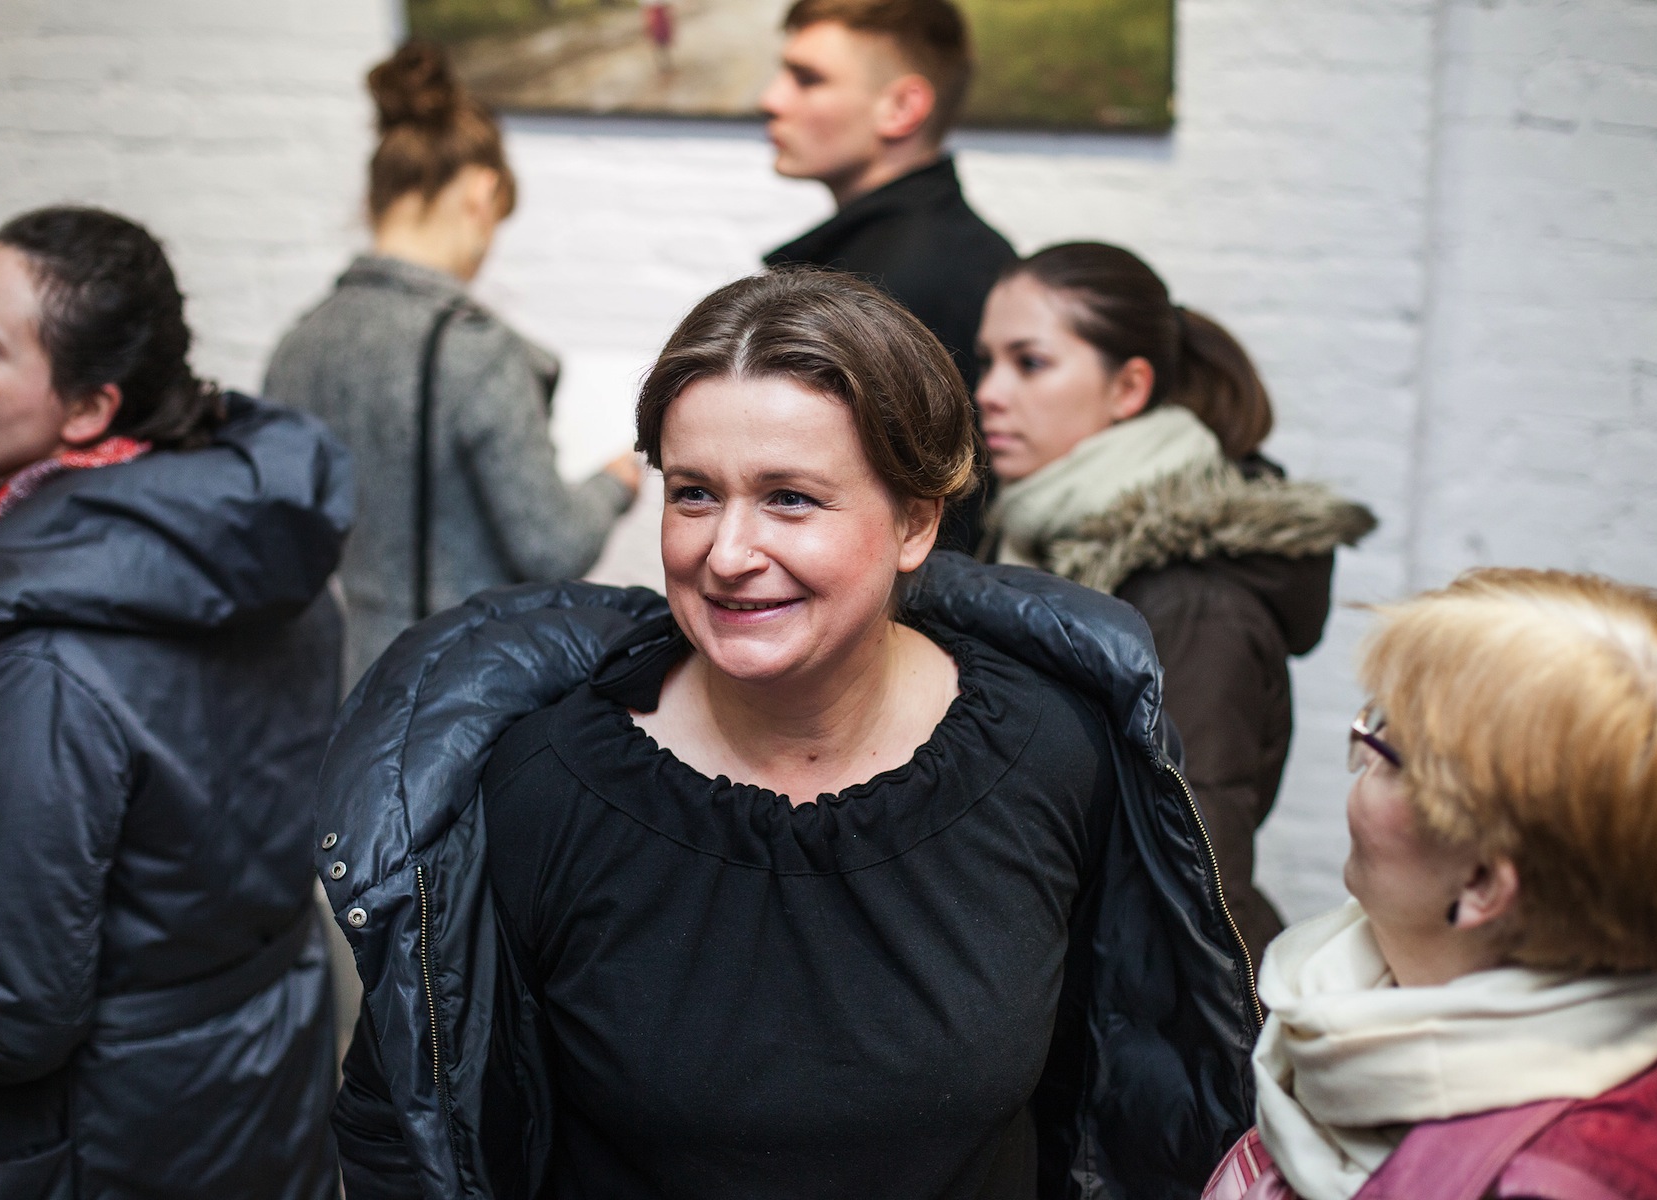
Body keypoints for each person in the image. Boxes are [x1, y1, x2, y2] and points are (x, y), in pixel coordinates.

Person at [316, 270, 1258, 1199]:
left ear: (915, 521)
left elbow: (1110, 1104)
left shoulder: (1052, 757)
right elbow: (407, 1133)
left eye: (790, 498)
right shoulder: (543, 788)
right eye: (694, 493)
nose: (727, 554)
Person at [0, 206, 347, 1197]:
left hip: (103, 1134)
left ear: (89, 409)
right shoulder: (267, 560)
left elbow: (5, 1013)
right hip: (262, 1069)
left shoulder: (40, 665)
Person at [1204, 568, 1657, 1200]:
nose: (1363, 749)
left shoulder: (1549, 1181)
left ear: (1480, 884)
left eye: (1390, 746)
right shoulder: (1351, 999)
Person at [975, 243, 1376, 965]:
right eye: (988, 361)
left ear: (1128, 388)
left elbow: (1190, 879)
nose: (990, 392)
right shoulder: (1025, 540)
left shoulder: (1193, 599)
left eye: (1029, 363)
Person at [265, 40, 642, 683]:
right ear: (480, 193)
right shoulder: (476, 350)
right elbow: (552, 547)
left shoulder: (300, 343)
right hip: (464, 686)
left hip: (354, 681)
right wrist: (615, 483)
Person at [760, 0, 1015, 552]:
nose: (772, 100)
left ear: (901, 107)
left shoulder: (888, 289)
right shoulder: (951, 249)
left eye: (808, 79)